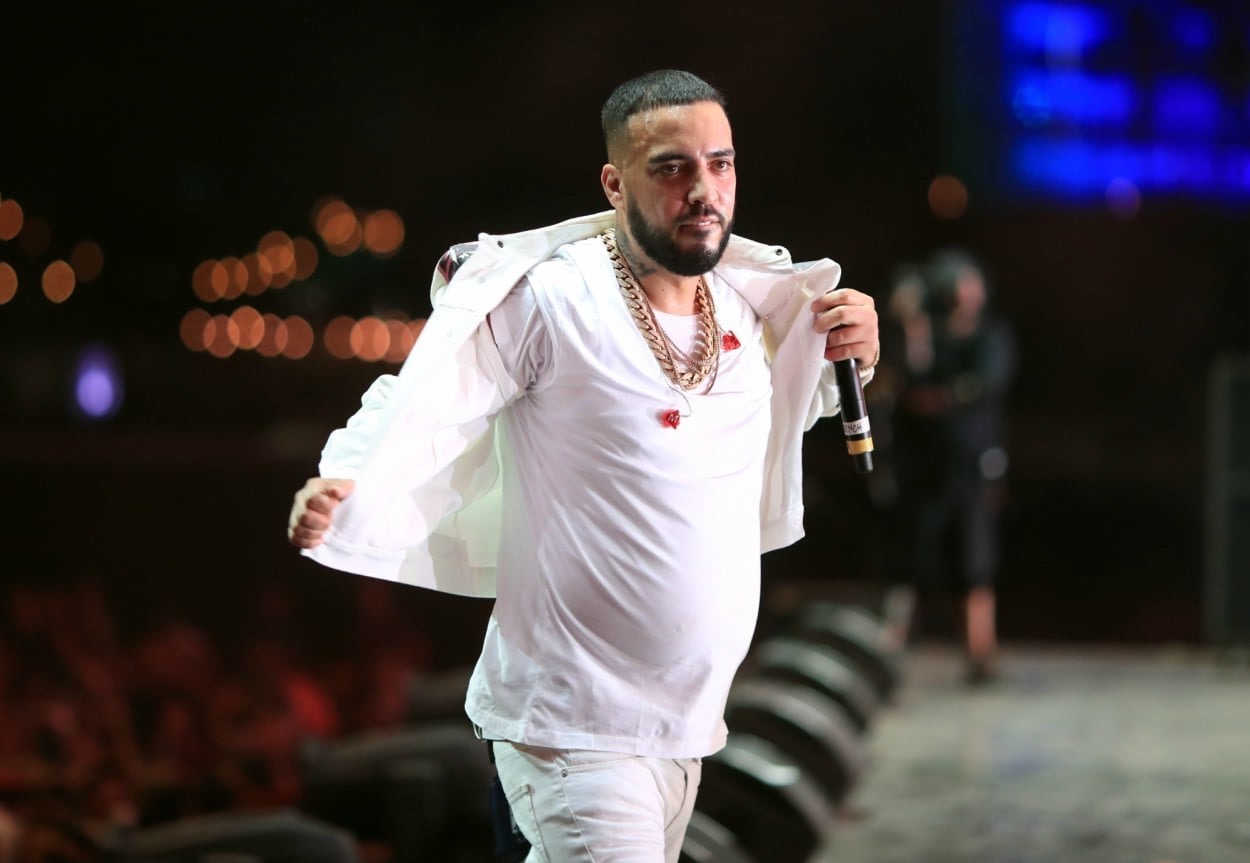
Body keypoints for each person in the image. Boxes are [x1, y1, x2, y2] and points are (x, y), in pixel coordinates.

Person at [286, 69, 879, 863]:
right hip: (571, 727)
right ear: (614, 183)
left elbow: (787, 412)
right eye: (671, 167)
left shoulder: (744, 311)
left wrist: (856, 356)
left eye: (720, 163)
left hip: (686, 728)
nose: (703, 189)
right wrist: (349, 478)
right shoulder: (556, 301)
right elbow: (425, 397)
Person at [882, 248, 1015, 685]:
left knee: (974, 560)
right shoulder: (929, 332)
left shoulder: (991, 335)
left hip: (972, 465)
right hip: (923, 464)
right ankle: (889, 654)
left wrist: (942, 399)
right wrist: (913, 329)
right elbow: (909, 381)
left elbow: (984, 383)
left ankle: (980, 651)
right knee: (911, 556)